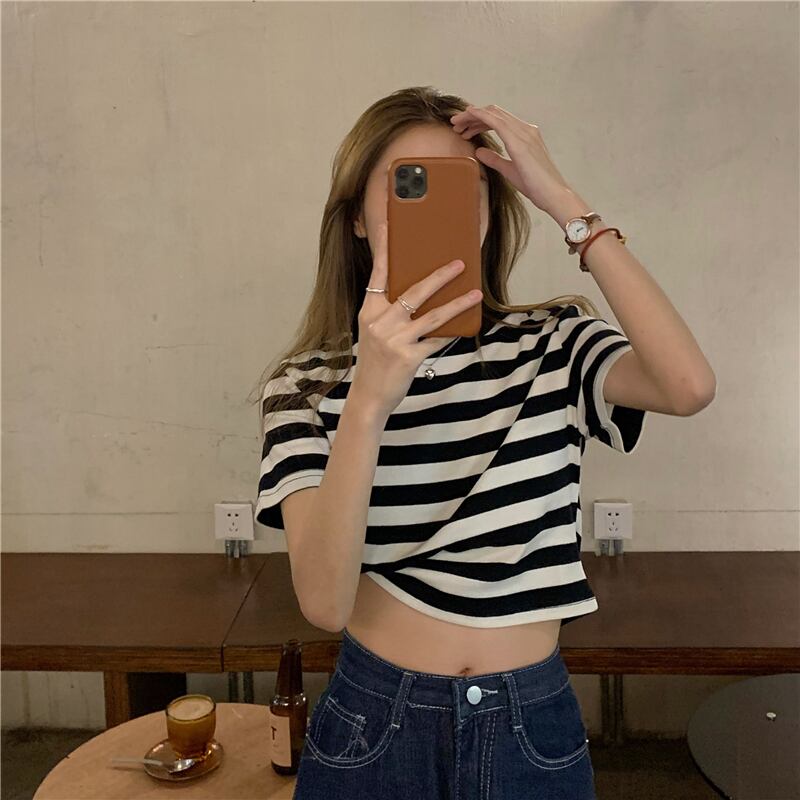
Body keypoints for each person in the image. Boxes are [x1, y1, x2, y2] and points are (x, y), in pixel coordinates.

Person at [253, 87, 655, 799]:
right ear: (356, 218)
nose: (440, 206)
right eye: (408, 185)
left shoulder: (554, 343)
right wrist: (369, 397)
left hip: (531, 722)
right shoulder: (305, 386)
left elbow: (688, 386)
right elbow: (324, 603)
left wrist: (565, 203)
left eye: (464, 187)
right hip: (376, 722)